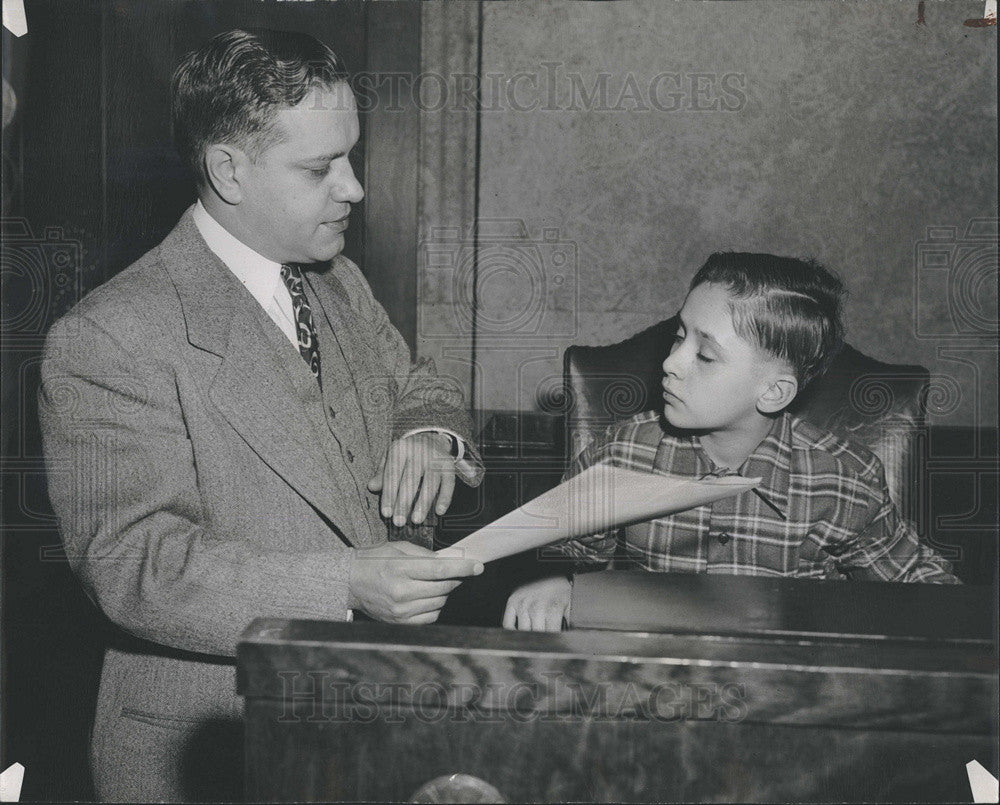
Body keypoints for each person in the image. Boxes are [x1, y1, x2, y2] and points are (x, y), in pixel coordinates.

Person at [39, 29, 485, 802]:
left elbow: (420, 380)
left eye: (350, 156)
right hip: (212, 753)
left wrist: (429, 430)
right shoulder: (108, 335)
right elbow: (134, 562)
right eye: (321, 168)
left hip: (364, 728)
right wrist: (347, 582)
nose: (355, 188)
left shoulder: (338, 278)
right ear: (228, 171)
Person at [504, 252, 959, 632]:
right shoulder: (623, 451)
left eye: (704, 354)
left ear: (774, 391)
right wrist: (561, 582)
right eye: (678, 337)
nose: (670, 363)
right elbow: (566, 553)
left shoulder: (842, 478)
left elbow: (917, 583)